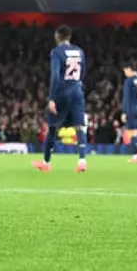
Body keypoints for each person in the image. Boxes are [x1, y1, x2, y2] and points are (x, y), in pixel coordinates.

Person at [34, 25, 88, 174]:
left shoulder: (56, 52)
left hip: (62, 92)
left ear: (57, 36)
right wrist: (77, 85)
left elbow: (56, 75)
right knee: (79, 127)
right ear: (69, 37)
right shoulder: (79, 51)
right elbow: (83, 72)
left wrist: (52, 98)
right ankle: (82, 161)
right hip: (77, 90)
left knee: (52, 127)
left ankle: (46, 163)